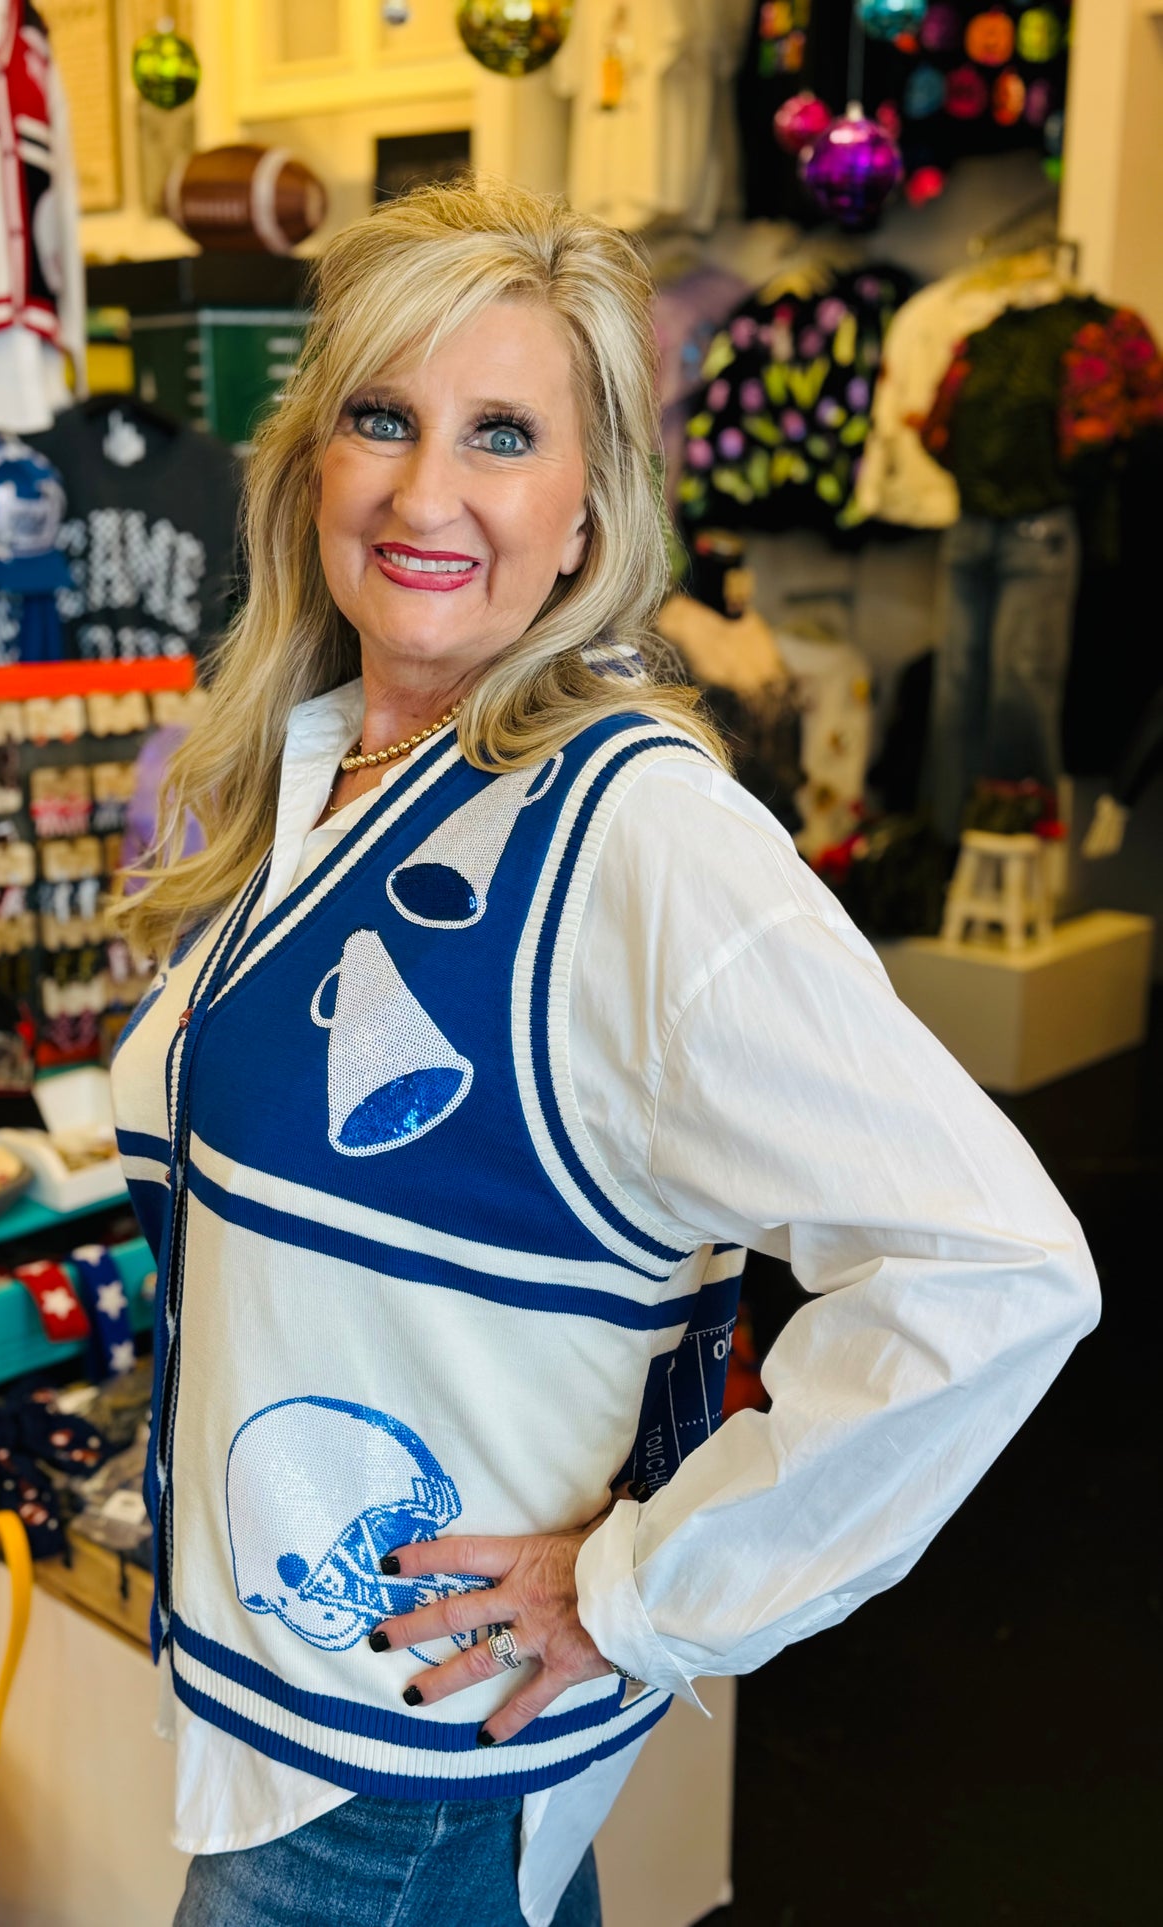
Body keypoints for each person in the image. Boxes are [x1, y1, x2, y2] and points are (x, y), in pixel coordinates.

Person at [111, 179, 1098, 1927]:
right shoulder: (321, 769)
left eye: (502, 434)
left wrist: (638, 1588)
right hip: (311, 1718)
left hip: (394, 1774)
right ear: (310, 462)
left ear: (587, 511)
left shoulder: (630, 832)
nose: (426, 493)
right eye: (381, 418)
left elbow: (993, 1270)